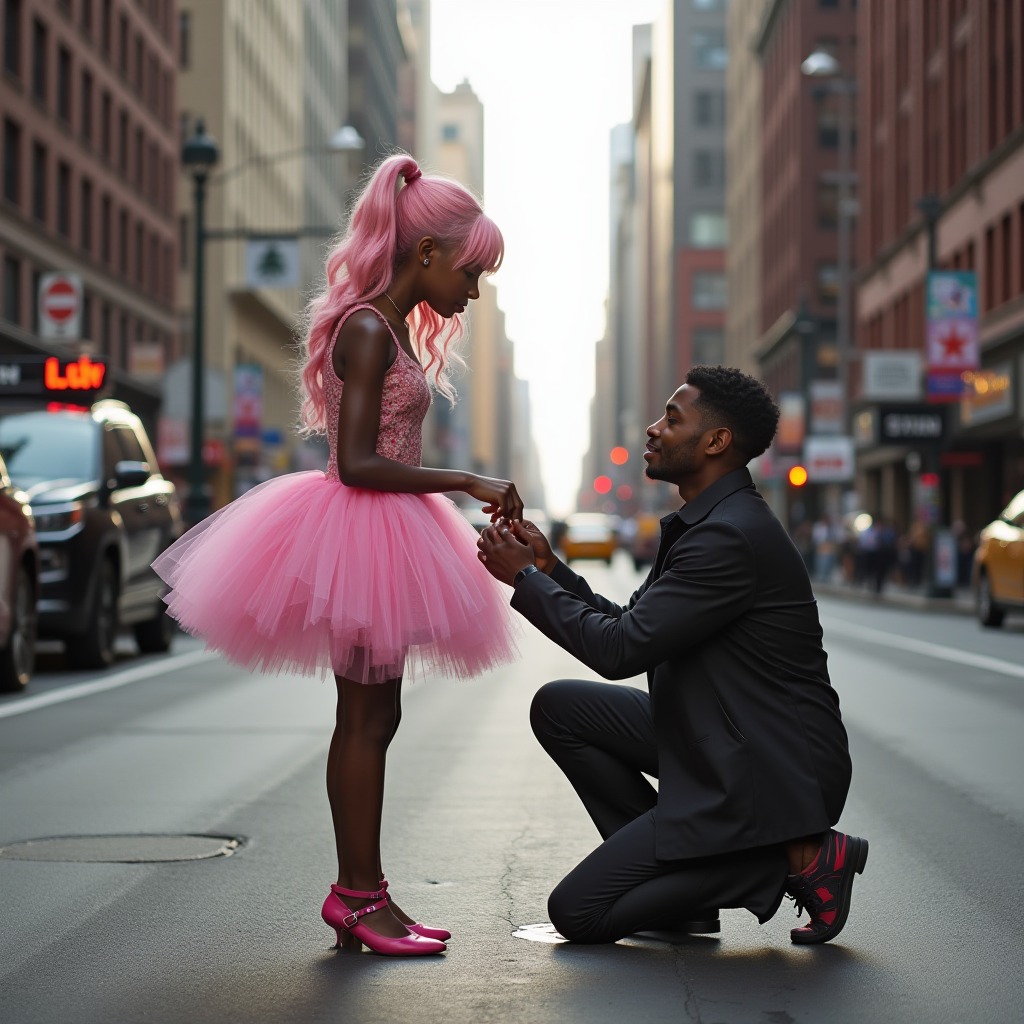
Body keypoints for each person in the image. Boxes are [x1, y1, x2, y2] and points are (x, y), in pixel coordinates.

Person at [154, 154, 523, 957]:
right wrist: (464, 478)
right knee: (362, 720)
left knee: (375, 716)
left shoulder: (384, 327)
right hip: (360, 527)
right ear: (426, 255)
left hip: (381, 532)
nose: (474, 289)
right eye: (471, 270)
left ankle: (369, 894)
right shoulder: (365, 327)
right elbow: (354, 461)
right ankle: (356, 897)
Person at [477, 365, 865, 946]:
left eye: (672, 418)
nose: (654, 430)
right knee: (560, 708)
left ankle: (794, 860)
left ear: (716, 441)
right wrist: (548, 570)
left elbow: (618, 651)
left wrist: (527, 585)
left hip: (770, 770)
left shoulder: (727, 536)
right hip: (718, 740)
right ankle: (686, 897)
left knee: (577, 913)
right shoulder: (707, 521)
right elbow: (631, 624)